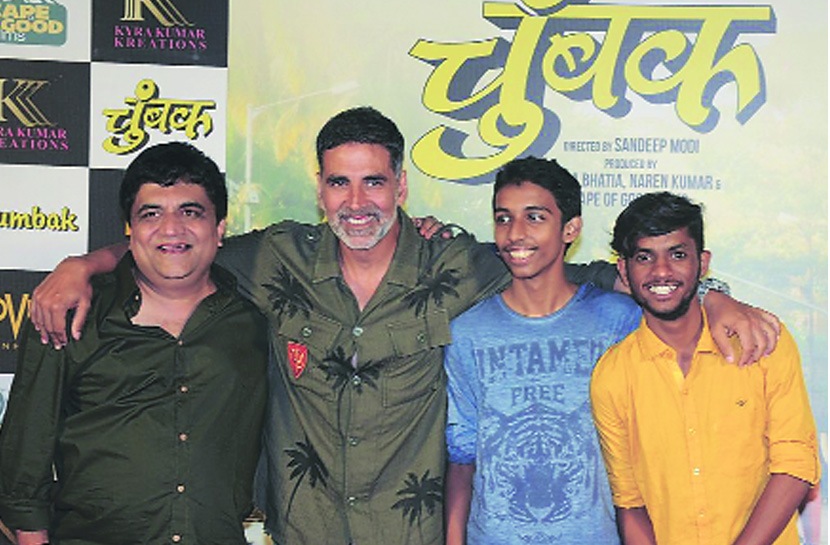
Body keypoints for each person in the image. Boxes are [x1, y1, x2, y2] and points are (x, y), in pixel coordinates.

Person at [28, 108, 779, 545]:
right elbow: (177, 243)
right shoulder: (275, 257)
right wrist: (84, 262)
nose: (357, 202)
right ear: (319, 188)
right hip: (306, 533)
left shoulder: (459, 265)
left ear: (401, 186)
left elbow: (600, 274)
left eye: (374, 181)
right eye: (339, 181)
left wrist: (715, 297)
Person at [0, 142, 269, 545]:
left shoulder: (256, 322)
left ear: (219, 229)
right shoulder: (68, 315)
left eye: (190, 212)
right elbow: (25, 461)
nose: (171, 229)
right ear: (130, 229)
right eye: (151, 214)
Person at [590, 192, 820, 545]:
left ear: (703, 263)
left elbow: (795, 464)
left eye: (678, 254)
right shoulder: (612, 377)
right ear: (623, 269)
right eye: (644, 257)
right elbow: (630, 502)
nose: (661, 271)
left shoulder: (763, 343)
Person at [444, 157, 642, 545]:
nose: (515, 234)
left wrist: (717, 299)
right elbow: (463, 456)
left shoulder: (619, 322)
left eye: (534, 217)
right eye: (503, 218)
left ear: (571, 228)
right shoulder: (466, 333)